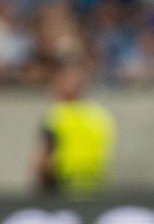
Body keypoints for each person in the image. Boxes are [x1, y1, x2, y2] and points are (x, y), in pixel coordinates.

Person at [33, 62, 116, 197]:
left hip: (62, 186)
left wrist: (40, 188)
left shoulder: (56, 115)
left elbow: (44, 159)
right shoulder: (100, 115)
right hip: (95, 187)